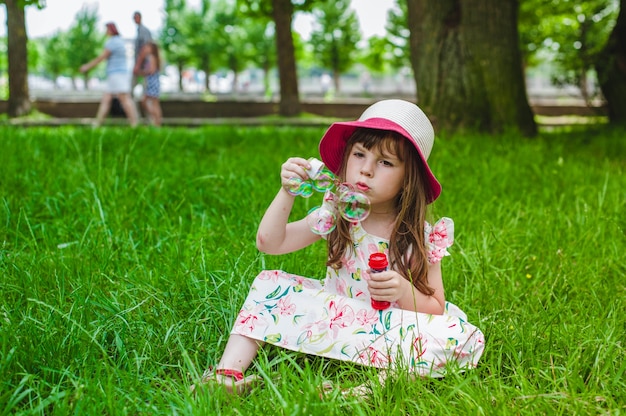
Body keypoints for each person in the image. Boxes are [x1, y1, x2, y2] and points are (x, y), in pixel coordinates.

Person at [193, 99, 485, 395]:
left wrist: (402, 290)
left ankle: (365, 391)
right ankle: (227, 376)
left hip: (387, 330)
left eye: (385, 162)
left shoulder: (420, 236)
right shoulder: (335, 214)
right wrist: (287, 192)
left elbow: (435, 307)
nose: (366, 170)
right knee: (269, 283)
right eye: (359, 154)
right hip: (333, 316)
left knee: (459, 336)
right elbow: (270, 243)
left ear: (408, 179)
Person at [79, 22, 138, 127]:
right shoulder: (120, 41)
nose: (105, 32)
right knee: (107, 98)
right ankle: (98, 123)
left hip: (117, 74)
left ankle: (134, 124)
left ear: (111, 30)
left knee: (124, 98)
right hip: (117, 74)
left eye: (106, 29)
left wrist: (87, 66)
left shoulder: (112, 42)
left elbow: (101, 57)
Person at [136, 42, 162, 126]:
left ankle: (157, 120)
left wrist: (141, 72)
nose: (145, 49)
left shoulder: (151, 57)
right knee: (154, 103)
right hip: (153, 82)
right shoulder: (153, 57)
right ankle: (156, 121)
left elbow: (151, 70)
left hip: (152, 82)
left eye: (147, 47)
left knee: (149, 102)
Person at [131, 11, 153, 97]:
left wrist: (138, 65)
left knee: (146, 92)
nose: (134, 20)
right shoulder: (139, 30)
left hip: (144, 65)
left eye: (135, 17)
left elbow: (145, 49)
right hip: (141, 64)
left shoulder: (144, 31)